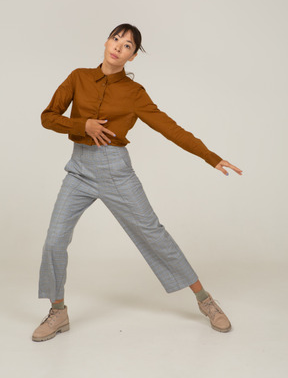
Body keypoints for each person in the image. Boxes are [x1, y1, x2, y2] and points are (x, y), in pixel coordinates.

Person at [32, 23, 242, 342]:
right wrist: (81, 124)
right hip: (78, 169)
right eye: (116, 39)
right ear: (105, 42)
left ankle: (205, 300)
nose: (119, 46)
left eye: (128, 45)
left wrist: (210, 156)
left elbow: (170, 128)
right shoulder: (77, 77)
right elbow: (48, 116)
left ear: (132, 57)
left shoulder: (134, 93)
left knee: (153, 233)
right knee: (54, 239)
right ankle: (57, 311)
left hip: (115, 171)